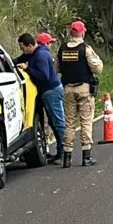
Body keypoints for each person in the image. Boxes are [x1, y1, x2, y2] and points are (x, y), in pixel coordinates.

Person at [56, 20, 103, 167]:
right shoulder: (85, 49)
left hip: (68, 89)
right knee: (86, 121)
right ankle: (86, 156)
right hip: (83, 89)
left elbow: (57, 68)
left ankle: (67, 157)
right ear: (82, 32)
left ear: (71, 32)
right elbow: (97, 69)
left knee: (69, 122)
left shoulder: (62, 49)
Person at [14, 33, 66, 164]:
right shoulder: (31, 54)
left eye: (23, 47)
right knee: (53, 123)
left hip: (51, 90)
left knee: (58, 122)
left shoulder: (41, 55)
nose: (22, 50)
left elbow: (44, 75)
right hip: (46, 92)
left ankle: (65, 152)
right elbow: (17, 60)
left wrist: (28, 69)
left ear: (30, 45)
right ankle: (61, 152)